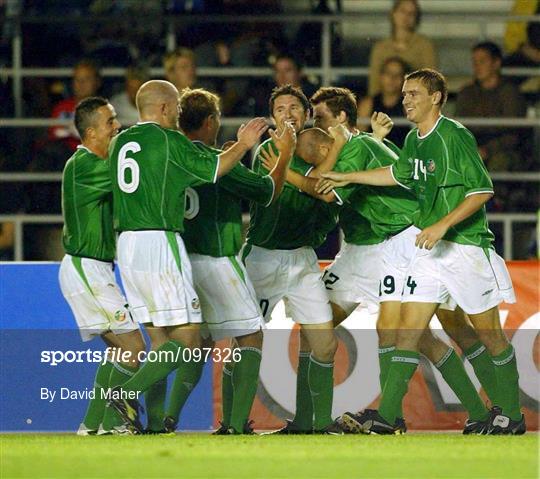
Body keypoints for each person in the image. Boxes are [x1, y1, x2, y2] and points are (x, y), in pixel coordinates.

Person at [264, 86, 496, 434]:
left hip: (399, 242)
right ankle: (309, 421)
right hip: (356, 250)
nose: (314, 120)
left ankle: (419, 414)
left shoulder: (353, 147)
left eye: (321, 116)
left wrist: (289, 167)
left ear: (341, 118)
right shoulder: (354, 146)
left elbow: (323, 190)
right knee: (315, 327)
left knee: (415, 334)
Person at [318, 69, 524, 435]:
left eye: (414, 93)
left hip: (465, 249)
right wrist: (348, 177)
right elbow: (396, 174)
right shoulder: (414, 139)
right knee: (407, 330)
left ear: (437, 98)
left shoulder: (453, 136)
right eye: (404, 93)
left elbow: (482, 190)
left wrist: (443, 224)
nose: (405, 100)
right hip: (428, 251)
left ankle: (511, 414)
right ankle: (388, 415)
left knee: (490, 335)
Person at [107, 80, 268, 432]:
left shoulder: (120, 142)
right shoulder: (168, 140)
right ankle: (125, 394)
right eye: (176, 108)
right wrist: (243, 144)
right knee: (189, 340)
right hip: (159, 242)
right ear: (164, 107)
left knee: (161, 341)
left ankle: (149, 426)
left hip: (127, 246)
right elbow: (215, 169)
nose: (179, 115)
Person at [162, 87, 295, 434]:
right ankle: (235, 425)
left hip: (183, 262)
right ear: (210, 122)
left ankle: (168, 417)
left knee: (199, 344)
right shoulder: (219, 161)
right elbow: (268, 192)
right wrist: (284, 156)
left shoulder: (170, 157)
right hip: (218, 261)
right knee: (251, 337)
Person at [243, 84, 342, 434]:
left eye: (294, 108)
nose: (288, 113)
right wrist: (309, 179)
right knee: (247, 339)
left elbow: (326, 193)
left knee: (325, 344)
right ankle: (234, 423)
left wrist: (306, 177)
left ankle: (320, 422)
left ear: (305, 114)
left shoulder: (319, 150)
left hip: (302, 259)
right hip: (263, 256)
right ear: (273, 117)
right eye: (280, 108)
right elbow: (279, 189)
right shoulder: (267, 150)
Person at [58, 96, 146, 436]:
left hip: (95, 269)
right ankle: (114, 422)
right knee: (134, 347)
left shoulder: (95, 163)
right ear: (91, 132)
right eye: (110, 122)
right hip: (86, 267)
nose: (117, 127)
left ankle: (92, 425)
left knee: (119, 352)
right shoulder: (84, 165)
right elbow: (132, 179)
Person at [455, 41, 527, 172]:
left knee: (500, 163)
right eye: (474, 62)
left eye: (482, 61)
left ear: (496, 63)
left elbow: (514, 133)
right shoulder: (467, 93)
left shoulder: (510, 93)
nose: (477, 66)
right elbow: (458, 128)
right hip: (472, 149)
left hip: (503, 151)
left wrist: (487, 150)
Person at [368, 0, 436, 96]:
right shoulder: (380, 48)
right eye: (402, 11)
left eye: (411, 13)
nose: (406, 16)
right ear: (393, 13)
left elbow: (431, 82)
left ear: (416, 18)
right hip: (386, 103)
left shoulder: (424, 45)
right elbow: (374, 84)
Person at [49, 60, 102, 155]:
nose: (81, 83)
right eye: (77, 79)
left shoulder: (105, 109)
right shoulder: (62, 107)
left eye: (87, 79)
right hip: (64, 158)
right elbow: (54, 134)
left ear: (97, 82)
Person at [358, 57, 410, 147]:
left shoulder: (409, 105)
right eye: (388, 73)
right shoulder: (368, 104)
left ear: (404, 79)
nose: (392, 78)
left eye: (398, 74)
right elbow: (358, 139)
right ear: (380, 76)